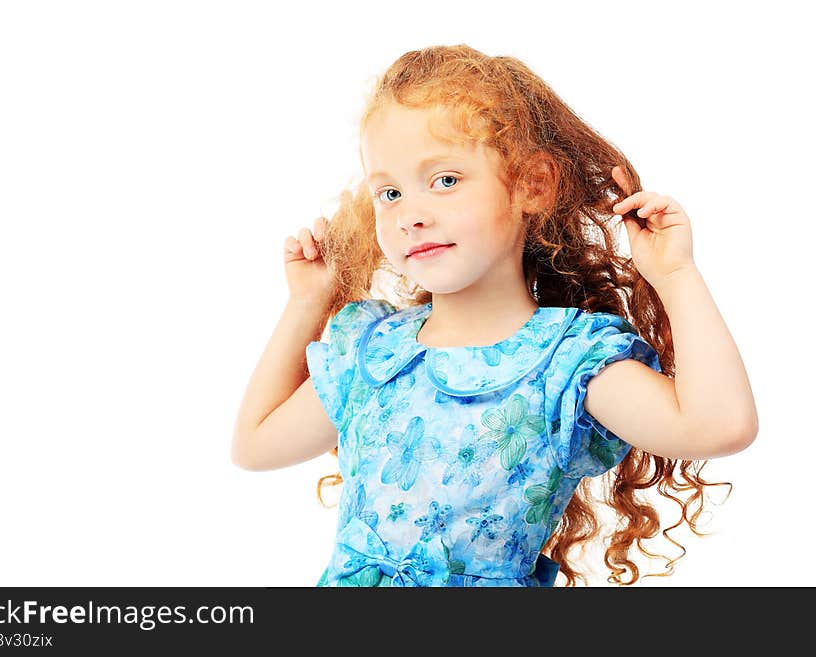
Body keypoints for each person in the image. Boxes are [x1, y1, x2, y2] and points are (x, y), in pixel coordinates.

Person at [231, 44, 758, 587]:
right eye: (389, 192)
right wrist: (306, 303)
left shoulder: (564, 363)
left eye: (445, 180)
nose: (411, 214)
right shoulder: (374, 354)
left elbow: (719, 427)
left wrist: (675, 275)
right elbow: (254, 444)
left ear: (534, 185)